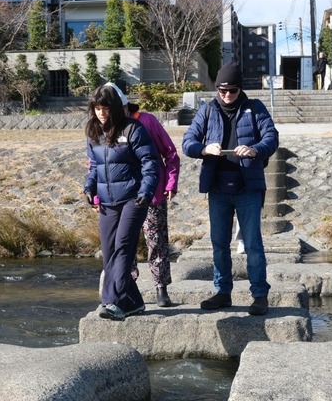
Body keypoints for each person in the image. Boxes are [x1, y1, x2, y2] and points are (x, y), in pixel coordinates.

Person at [182, 62, 279, 316]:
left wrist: (255, 149)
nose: (227, 95)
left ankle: (260, 295)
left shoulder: (255, 108)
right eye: (222, 91)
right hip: (218, 189)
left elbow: (271, 137)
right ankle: (223, 292)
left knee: (253, 244)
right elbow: (188, 142)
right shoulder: (207, 110)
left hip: (248, 188)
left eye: (232, 91)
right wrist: (204, 149)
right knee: (219, 243)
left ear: (240, 89)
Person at [84, 85, 159, 321]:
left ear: (115, 108)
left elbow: (150, 162)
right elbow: (95, 166)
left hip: (133, 199)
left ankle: (112, 303)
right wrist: (89, 187)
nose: (101, 113)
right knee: (109, 252)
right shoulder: (93, 133)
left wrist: (146, 192)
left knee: (123, 247)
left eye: (105, 108)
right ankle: (134, 302)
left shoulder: (133, 129)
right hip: (107, 203)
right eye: (97, 108)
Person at [105, 82, 180, 307]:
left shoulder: (147, 121)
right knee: (124, 244)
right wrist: (97, 196)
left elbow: (170, 152)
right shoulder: (105, 127)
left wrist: (171, 182)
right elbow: (98, 165)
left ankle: (161, 287)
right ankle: (128, 288)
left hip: (152, 194)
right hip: (121, 197)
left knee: (156, 241)